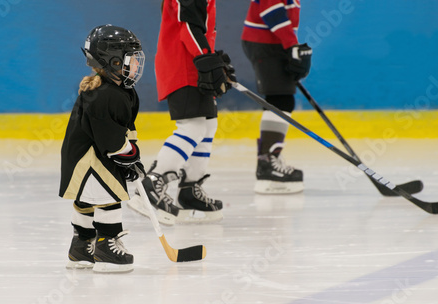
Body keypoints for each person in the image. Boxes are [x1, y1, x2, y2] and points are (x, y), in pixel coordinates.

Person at [128, 0, 234, 225]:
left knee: (208, 125)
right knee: (193, 127)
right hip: (183, 66)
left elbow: (197, 26)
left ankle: (189, 188)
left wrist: (213, 59)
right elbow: (187, 27)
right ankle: (152, 184)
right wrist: (207, 58)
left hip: (194, 65)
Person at [59, 24, 146, 273]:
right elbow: (111, 139)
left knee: (87, 200)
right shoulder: (106, 95)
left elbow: (125, 128)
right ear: (115, 62)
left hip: (84, 157)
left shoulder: (122, 91)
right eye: (131, 59)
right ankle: (106, 245)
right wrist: (128, 155)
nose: (137, 65)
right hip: (91, 159)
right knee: (108, 198)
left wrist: (132, 153)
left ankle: (81, 246)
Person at [241, 0, 312, 194]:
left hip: (272, 41)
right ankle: (267, 165)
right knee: (280, 99)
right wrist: (291, 45)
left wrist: (290, 46)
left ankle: (269, 160)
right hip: (265, 42)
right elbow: (270, 7)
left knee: (281, 99)